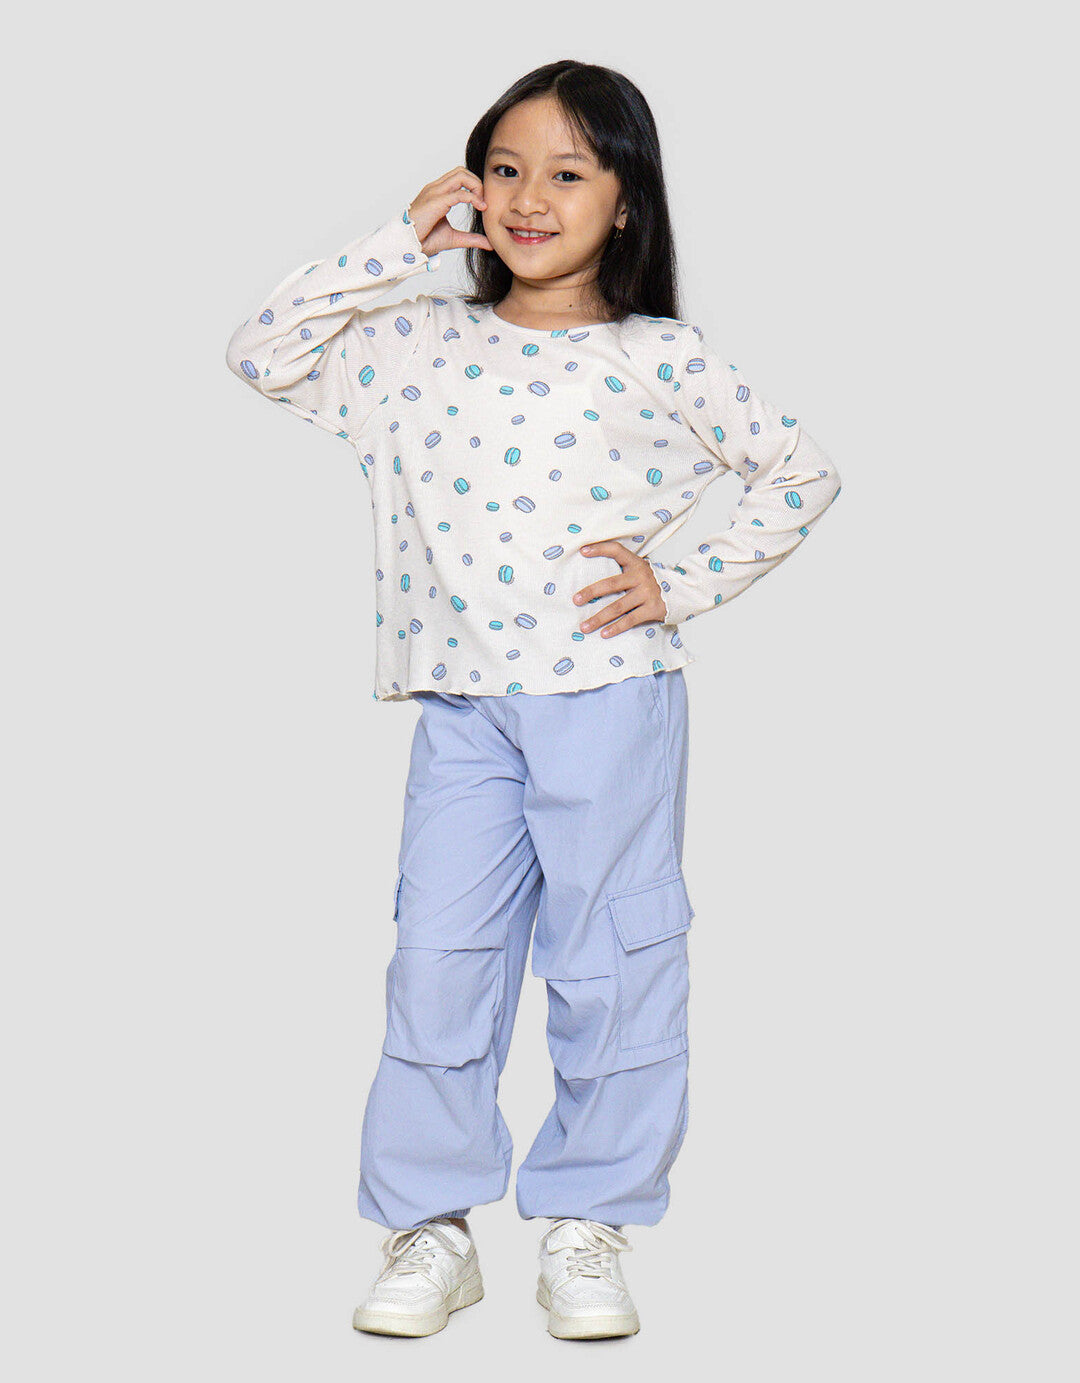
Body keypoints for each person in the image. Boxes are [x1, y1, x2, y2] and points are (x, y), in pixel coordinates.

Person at [225, 59, 841, 1341]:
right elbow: (262, 351)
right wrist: (395, 246)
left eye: (567, 173)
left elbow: (799, 473)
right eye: (504, 169)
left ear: (626, 200)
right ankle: (431, 1227)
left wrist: (679, 583)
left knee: (612, 960)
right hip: (465, 709)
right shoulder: (415, 345)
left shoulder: (658, 357)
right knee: (438, 962)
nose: (527, 198)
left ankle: (590, 1219)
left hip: (607, 701)